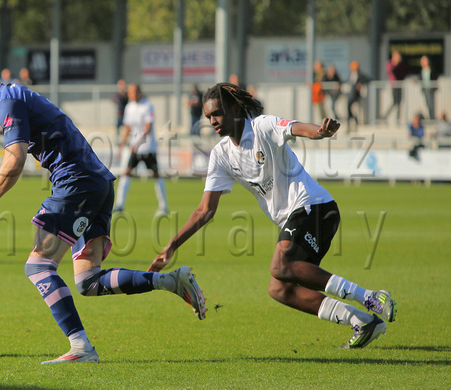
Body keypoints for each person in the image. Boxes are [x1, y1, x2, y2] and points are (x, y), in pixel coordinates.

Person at [0, 52, 206, 364]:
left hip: (76, 184)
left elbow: (14, 157)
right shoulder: (18, 94)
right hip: (97, 182)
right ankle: (170, 281)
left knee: (38, 267)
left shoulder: (8, 100)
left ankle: (81, 347)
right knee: (89, 281)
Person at [149, 82, 397, 349]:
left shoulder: (261, 127)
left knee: (280, 265)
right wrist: (172, 245)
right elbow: (205, 209)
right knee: (279, 288)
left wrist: (321, 132)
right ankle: (363, 321)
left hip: (314, 207)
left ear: (234, 108)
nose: (213, 121)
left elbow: (296, 128)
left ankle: (371, 297)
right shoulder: (221, 155)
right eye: (208, 116)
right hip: (296, 219)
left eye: (217, 113)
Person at [115, 83, 168, 215]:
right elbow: (127, 127)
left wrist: (136, 143)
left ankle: (164, 206)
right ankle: (119, 205)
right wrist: (121, 144)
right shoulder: (129, 107)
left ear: (138, 92)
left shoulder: (147, 105)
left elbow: (148, 128)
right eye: (129, 92)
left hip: (148, 147)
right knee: (126, 173)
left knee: (156, 175)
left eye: (132, 91)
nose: (130, 94)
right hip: (135, 148)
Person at [383, 51, 409, 124]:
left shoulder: (400, 65)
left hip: (400, 85)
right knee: (395, 102)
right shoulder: (390, 64)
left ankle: (398, 119)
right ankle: (385, 117)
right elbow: (392, 72)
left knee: (399, 103)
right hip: (394, 86)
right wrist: (396, 64)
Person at [347, 61, 368, 132]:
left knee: (352, 107)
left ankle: (354, 120)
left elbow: (367, 79)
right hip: (351, 94)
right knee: (349, 108)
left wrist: (360, 84)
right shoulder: (351, 74)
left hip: (356, 95)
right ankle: (352, 120)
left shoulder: (360, 75)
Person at [419, 56, 437, 120]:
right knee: (428, 104)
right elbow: (421, 79)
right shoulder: (422, 70)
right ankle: (430, 117)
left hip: (431, 89)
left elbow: (435, 77)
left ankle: (432, 117)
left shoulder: (431, 69)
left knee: (431, 104)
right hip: (425, 90)